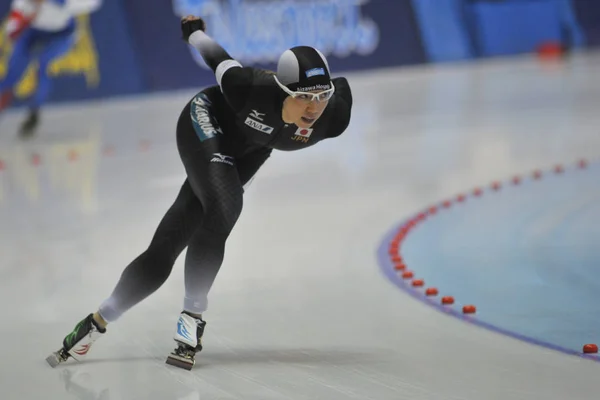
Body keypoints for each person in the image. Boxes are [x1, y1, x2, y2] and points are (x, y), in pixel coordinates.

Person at [46, 15, 353, 370]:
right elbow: (219, 59)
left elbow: (342, 88)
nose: (314, 107)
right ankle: (191, 321)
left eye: (321, 95)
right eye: (303, 96)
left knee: (173, 239)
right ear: (283, 91)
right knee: (226, 204)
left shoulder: (333, 117)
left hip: (253, 149)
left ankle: (97, 321)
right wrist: (194, 32)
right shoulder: (248, 86)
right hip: (205, 122)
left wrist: (330, 91)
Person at [0, 0, 102, 137]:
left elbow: (93, 3)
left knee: (43, 65)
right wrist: (14, 28)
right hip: (33, 31)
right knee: (12, 74)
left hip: (62, 34)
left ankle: (34, 114)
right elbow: (16, 14)